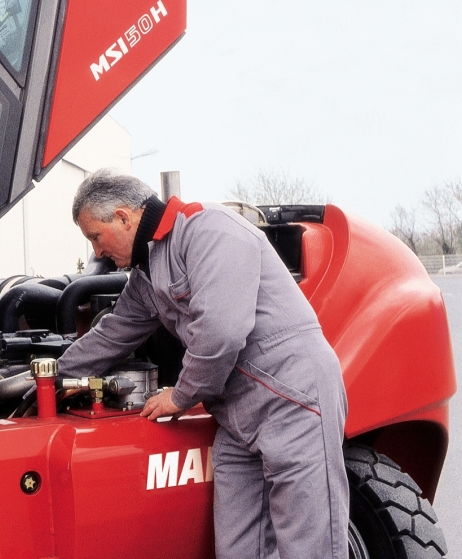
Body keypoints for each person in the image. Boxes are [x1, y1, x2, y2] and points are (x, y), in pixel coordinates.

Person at [57, 169, 348, 559]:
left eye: (95, 236)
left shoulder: (210, 230)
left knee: (309, 548)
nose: (96, 251)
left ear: (124, 217)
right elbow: (113, 334)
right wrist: (47, 375)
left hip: (292, 399)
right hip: (236, 417)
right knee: (238, 548)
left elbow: (222, 331)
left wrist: (181, 395)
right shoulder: (147, 274)